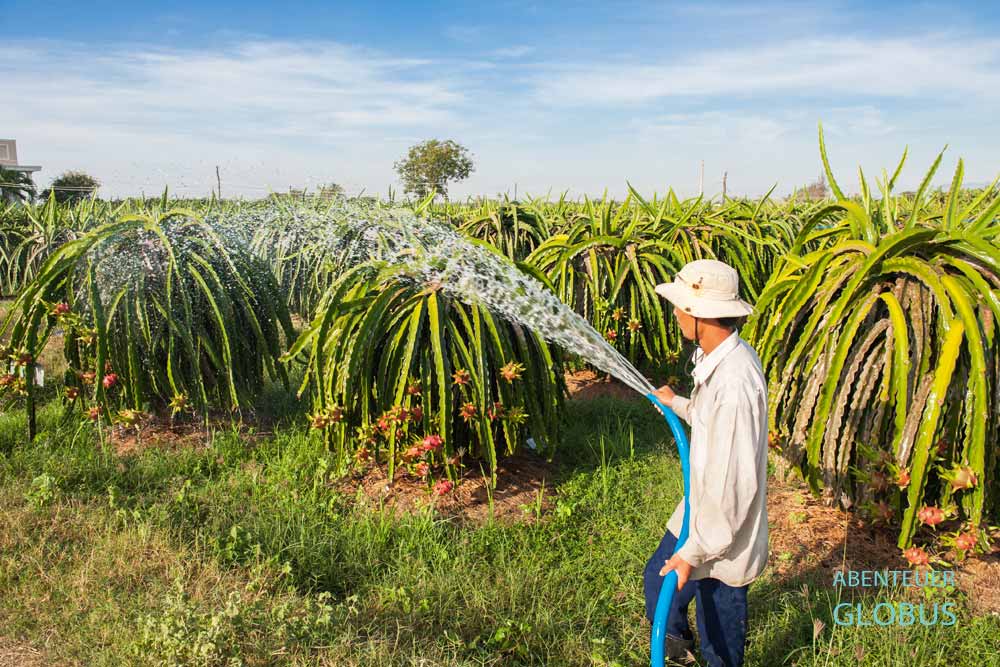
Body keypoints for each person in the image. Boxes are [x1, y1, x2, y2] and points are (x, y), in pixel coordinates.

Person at [643, 259, 769, 667]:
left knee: (720, 633)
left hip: (723, 534)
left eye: (682, 306)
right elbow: (706, 416)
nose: (676, 313)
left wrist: (693, 553)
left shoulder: (736, 383)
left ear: (699, 314)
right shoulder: (717, 356)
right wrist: (676, 403)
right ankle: (676, 647)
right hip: (701, 509)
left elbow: (734, 488)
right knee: (656, 582)